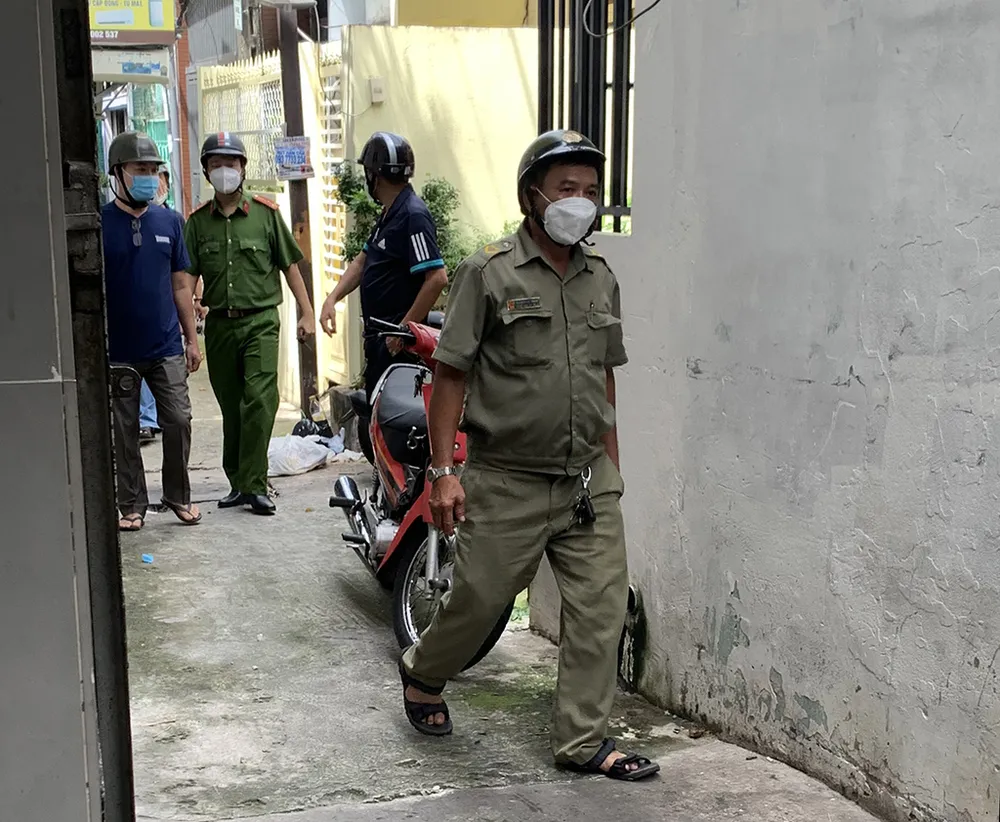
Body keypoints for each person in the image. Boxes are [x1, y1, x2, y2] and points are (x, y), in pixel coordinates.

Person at [397, 130, 660, 782]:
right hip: (507, 477)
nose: (581, 201)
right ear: (531, 197)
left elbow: (603, 377)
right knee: (480, 599)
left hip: (586, 480)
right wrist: (443, 473)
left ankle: (584, 740)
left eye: (591, 191)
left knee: (600, 610)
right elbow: (451, 374)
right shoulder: (488, 273)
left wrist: (613, 468)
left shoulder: (601, 279)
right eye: (567, 188)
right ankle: (424, 672)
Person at [184, 132, 316, 516]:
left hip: (260, 322)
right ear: (207, 171)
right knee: (231, 406)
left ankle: (255, 485)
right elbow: (186, 279)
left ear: (243, 168)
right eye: (216, 164)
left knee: (259, 400)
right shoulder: (197, 223)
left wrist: (307, 312)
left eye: (231, 163)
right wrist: (186, 329)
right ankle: (238, 483)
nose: (224, 170)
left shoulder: (265, 214)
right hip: (220, 326)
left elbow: (290, 266)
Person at [102, 132, 202, 531]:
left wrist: (191, 339)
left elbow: (181, 286)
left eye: (152, 170)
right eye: (139, 169)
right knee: (125, 430)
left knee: (178, 419)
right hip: (118, 351)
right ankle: (131, 504)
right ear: (118, 173)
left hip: (166, 345)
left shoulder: (170, 221)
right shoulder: (99, 223)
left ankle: (177, 495)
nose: (148, 177)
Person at [318, 132, 448, 401]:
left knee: (392, 418)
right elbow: (363, 260)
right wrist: (332, 298)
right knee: (374, 411)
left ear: (374, 175)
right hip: (380, 342)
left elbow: (437, 278)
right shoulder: (390, 212)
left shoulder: (413, 215)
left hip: (399, 348)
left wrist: (403, 330)